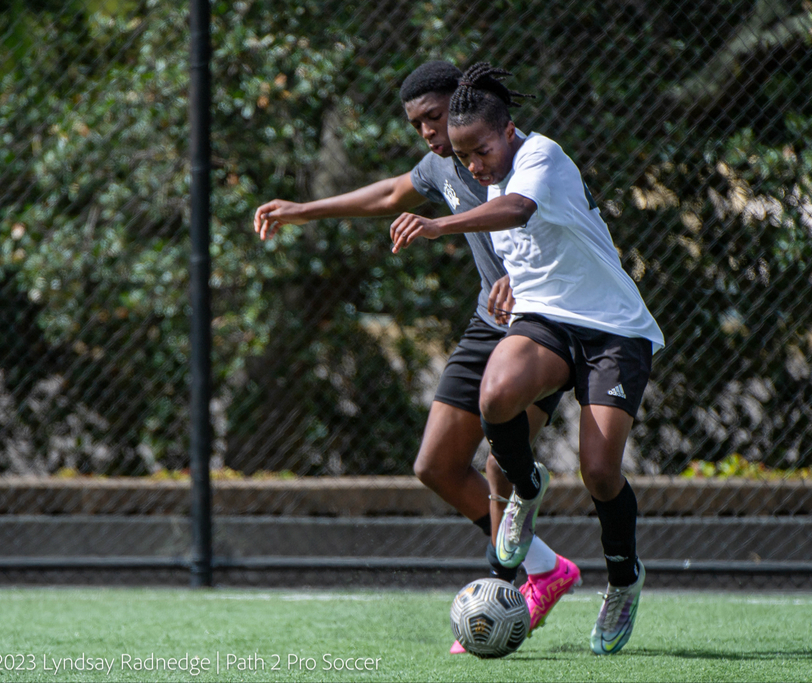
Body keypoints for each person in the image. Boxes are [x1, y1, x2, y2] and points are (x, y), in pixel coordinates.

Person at [252, 61, 580, 653]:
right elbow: (388, 193)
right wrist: (302, 210)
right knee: (435, 465)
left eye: (435, 116)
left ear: (465, 103)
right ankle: (545, 566)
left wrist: (524, 278)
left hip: (543, 327)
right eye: (417, 124)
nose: (429, 131)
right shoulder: (439, 166)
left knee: (499, 464)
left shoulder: (517, 156)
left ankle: (504, 589)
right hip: (487, 323)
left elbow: (554, 223)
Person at [390, 62, 664, 655]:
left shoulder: (542, 156)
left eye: (482, 151)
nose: (474, 166)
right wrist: (510, 282)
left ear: (508, 131)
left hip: (612, 330)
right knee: (494, 396)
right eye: (465, 157)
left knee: (599, 471)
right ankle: (526, 486)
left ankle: (623, 579)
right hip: (547, 323)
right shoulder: (487, 174)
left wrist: (437, 224)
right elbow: (532, 249)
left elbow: (519, 211)